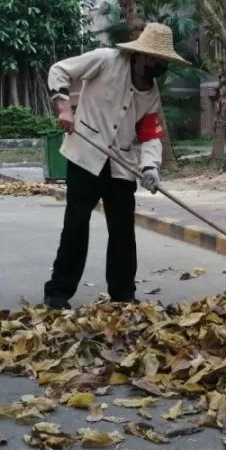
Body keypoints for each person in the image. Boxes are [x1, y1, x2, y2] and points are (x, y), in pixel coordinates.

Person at [42, 23, 187, 309]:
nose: (161, 67)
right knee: (76, 226)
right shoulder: (106, 60)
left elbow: (150, 134)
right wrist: (64, 108)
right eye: (157, 60)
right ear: (142, 55)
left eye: (164, 62)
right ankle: (58, 293)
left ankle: (123, 294)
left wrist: (150, 168)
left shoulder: (151, 94)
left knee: (123, 231)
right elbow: (59, 70)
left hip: (122, 165)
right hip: (86, 156)